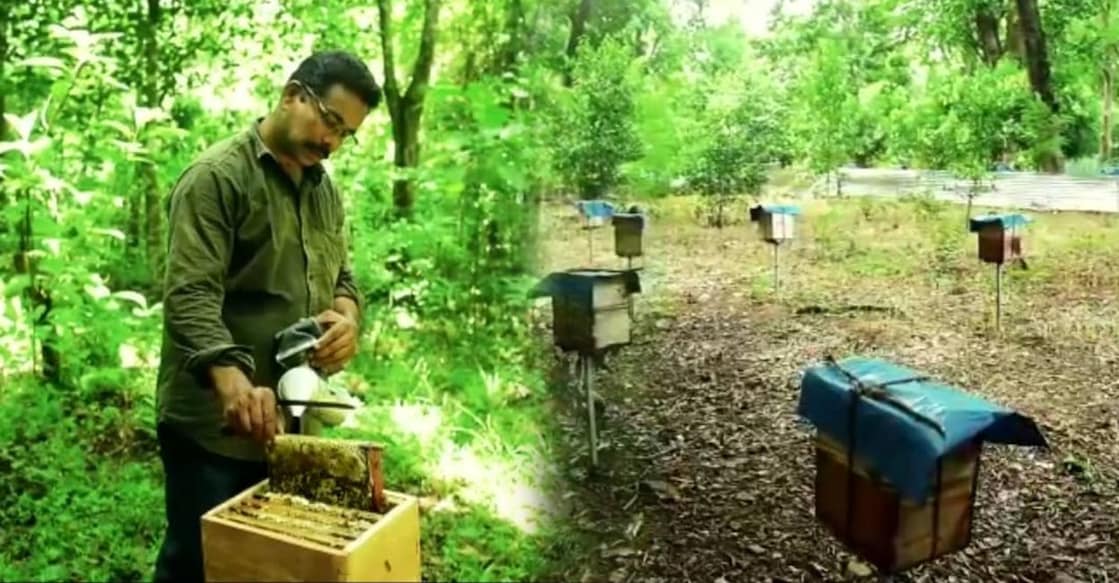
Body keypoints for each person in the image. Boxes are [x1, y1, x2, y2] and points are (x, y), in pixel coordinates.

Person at [151, 51, 381, 583]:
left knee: (266, 568)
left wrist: (346, 319)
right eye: (329, 121)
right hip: (215, 428)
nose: (332, 143)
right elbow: (190, 295)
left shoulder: (324, 192)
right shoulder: (216, 179)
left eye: (346, 134)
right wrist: (233, 384)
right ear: (292, 94)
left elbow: (341, 278)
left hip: (294, 423)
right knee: (200, 564)